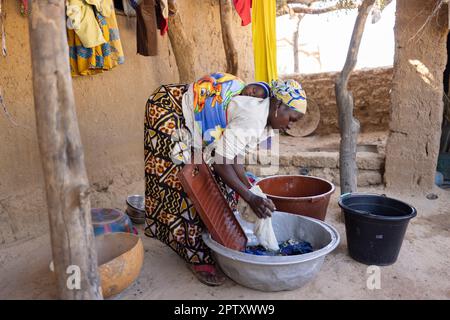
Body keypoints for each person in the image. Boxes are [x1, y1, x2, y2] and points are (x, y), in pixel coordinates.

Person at [144, 72, 307, 286]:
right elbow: (222, 163)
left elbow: (233, 157)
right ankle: (196, 254)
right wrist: (250, 197)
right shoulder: (254, 118)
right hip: (168, 108)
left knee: (226, 186)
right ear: (279, 107)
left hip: (188, 116)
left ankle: (210, 240)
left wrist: (251, 190)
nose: (289, 126)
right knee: (183, 182)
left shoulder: (264, 118)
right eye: (291, 119)